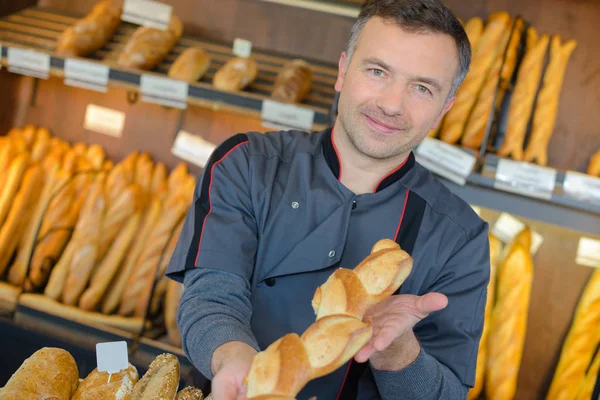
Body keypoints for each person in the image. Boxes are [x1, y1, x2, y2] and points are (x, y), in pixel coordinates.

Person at [166, 0, 490, 398]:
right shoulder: (246, 163)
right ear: (342, 71)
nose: (391, 105)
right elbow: (211, 297)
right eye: (377, 71)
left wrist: (398, 351)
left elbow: (447, 394)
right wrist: (235, 360)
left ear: (445, 109)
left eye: (422, 88)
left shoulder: (460, 236)